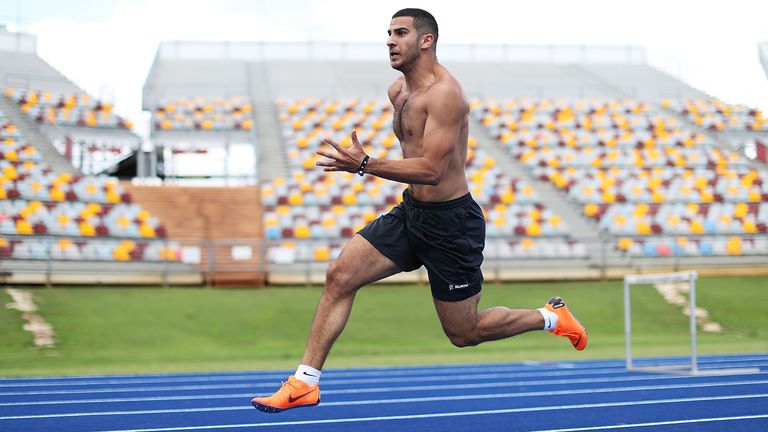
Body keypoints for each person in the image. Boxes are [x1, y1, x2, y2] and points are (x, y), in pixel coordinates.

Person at [251, 8, 587, 414]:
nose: (390, 40)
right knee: (340, 275)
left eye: (401, 33)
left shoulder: (446, 94)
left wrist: (364, 164)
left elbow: (431, 169)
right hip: (413, 214)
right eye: (389, 33)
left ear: (426, 41)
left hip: (451, 224)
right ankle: (305, 383)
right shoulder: (398, 91)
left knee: (464, 332)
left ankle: (549, 317)